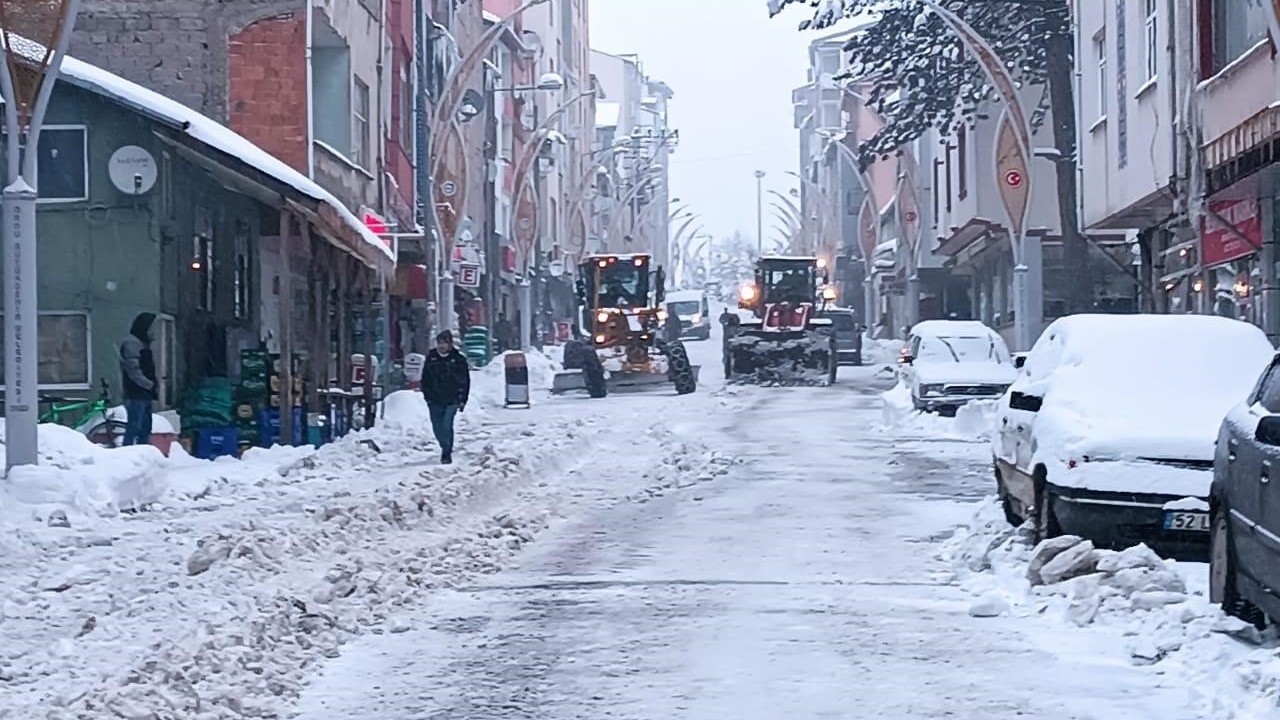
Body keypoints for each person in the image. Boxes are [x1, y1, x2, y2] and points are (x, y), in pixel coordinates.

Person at [421, 330, 471, 464]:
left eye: (444, 343)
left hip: (452, 399)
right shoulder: (431, 358)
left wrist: (462, 399)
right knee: (437, 426)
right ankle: (444, 444)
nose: (441, 346)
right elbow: (425, 379)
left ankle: (446, 451)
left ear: (450, 344)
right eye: (439, 343)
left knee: (446, 424)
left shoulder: (458, 360)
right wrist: (427, 396)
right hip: (435, 399)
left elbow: (465, 381)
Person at [119, 312, 157, 446]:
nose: (154, 333)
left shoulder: (143, 344)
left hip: (144, 394)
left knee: (145, 428)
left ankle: (143, 453)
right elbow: (133, 369)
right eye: (151, 328)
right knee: (135, 427)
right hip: (136, 393)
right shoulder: (132, 344)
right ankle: (128, 454)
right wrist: (148, 384)